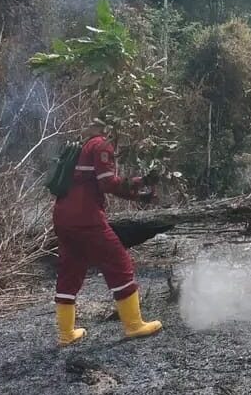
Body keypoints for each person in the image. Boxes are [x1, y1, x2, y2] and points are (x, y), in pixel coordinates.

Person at [53, 119, 163, 347]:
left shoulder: (79, 147)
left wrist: (139, 191)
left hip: (62, 217)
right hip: (86, 218)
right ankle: (134, 325)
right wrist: (141, 184)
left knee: (70, 271)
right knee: (119, 263)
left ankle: (66, 335)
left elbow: (97, 182)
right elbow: (109, 184)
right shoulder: (101, 146)